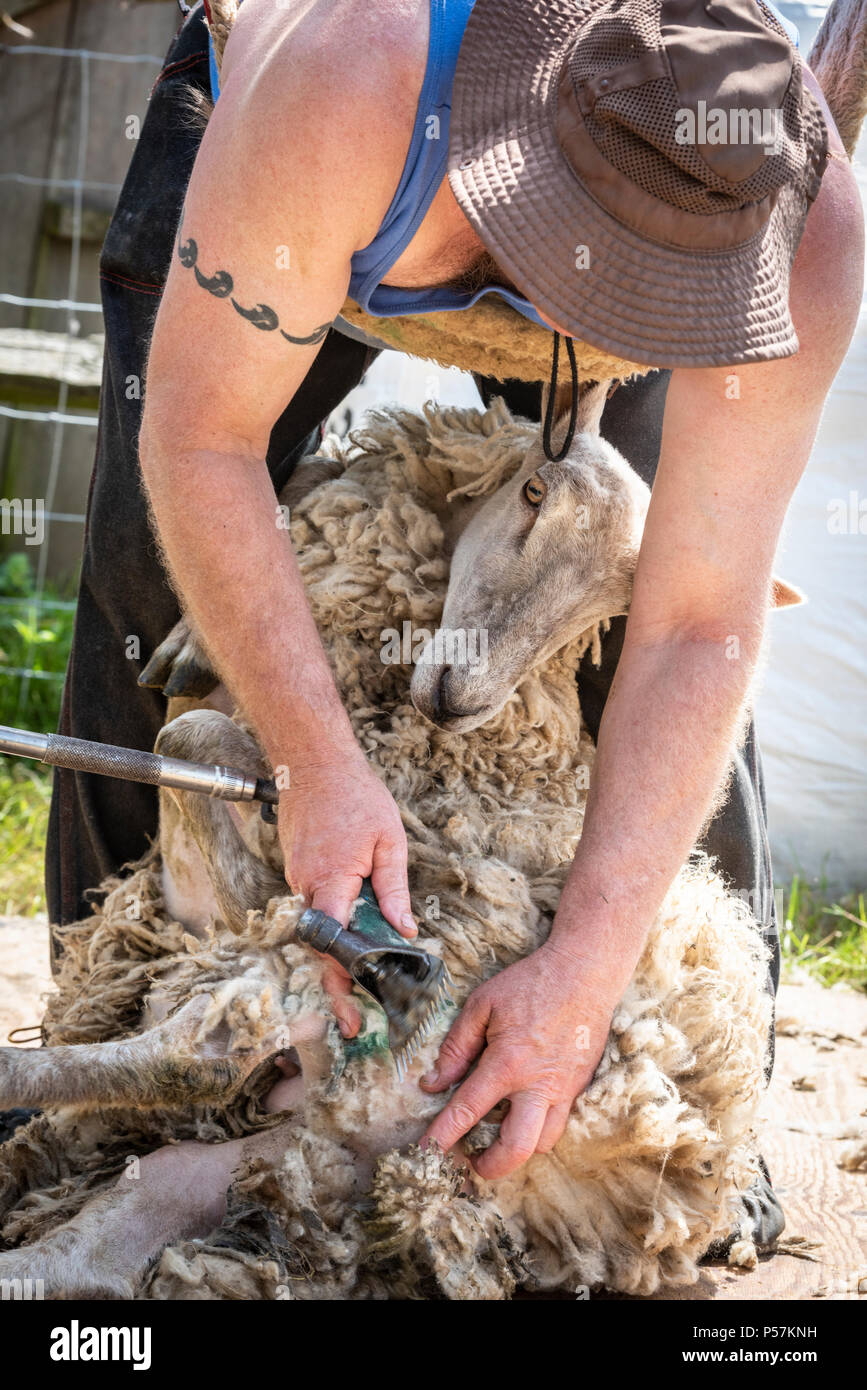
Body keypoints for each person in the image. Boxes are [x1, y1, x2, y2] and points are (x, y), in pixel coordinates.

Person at [43, 0, 862, 1231]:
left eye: (670, 293)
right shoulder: (342, 85)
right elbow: (203, 441)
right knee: (143, 589)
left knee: (632, 579)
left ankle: (701, 1110)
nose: (629, 317)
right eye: (621, 285)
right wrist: (314, 760)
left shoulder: (801, 222)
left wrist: (587, 972)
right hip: (344, 177)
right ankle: (93, 1055)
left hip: (597, 207)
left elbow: (702, 620)